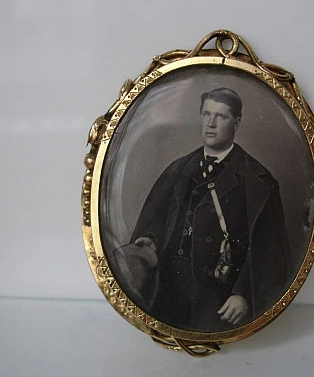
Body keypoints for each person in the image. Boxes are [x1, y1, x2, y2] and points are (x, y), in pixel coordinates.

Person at [120, 87, 291, 332]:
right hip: (168, 289)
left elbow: (269, 250)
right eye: (206, 114)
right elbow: (155, 219)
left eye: (220, 117)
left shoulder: (258, 182)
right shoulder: (177, 170)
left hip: (218, 297)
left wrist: (243, 294)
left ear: (237, 122)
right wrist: (149, 239)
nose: (210, 123)